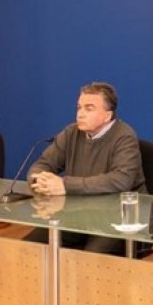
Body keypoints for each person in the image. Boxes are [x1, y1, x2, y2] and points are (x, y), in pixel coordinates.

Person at [23, 82, 146, 253]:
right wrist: (40, 180)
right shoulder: (71, 132)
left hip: (117, 219)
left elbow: (121, 180)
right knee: (28, 248)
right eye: (79, 107)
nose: (80, 114)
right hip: (76, 215)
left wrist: (65, 185)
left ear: (107, 116)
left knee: (90, 260)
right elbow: (42, 164)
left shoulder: (124, 136)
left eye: (89, 109)